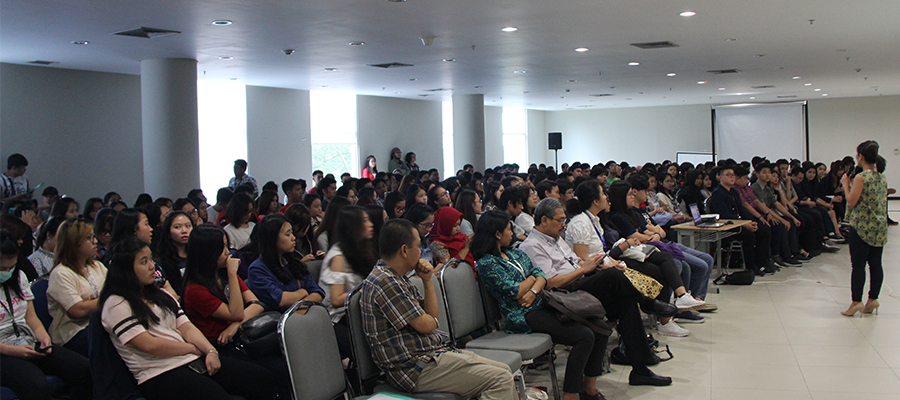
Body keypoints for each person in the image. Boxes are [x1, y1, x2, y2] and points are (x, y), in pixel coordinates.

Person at [505, 204, 675, 388]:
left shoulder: (556, 239)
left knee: (626, 302)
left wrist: (592, 264)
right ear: (544, 221)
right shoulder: (532, 246)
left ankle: (640, 370)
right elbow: (550, 282)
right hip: (562, 296)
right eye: (560, 220)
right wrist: (584, 270)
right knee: (614, 277)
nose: (564, 224)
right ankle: (648, 303)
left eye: (564, 219)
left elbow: (575, 261)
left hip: (580, 284)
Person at [100, 238, 274, 400]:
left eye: (151, 260)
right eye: (144, 262)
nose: (152, 267)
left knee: (261, 378)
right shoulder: (116, 304)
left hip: (190, 358)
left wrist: (210, 351)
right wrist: (192, 348)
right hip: (158, 373)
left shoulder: (160, 293)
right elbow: (149, 345)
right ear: (126, 270)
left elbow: (187, 327)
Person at [361, 218, 517, 399]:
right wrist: (431, 321)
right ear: (404, 250)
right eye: (418, 246)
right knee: (500, 380)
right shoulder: (385, 282)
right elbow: (428, 325)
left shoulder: (396, 277)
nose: (421, 252)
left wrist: (427, 281)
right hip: (415, 369)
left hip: (430, 356)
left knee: (504, 370)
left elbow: (432, 320)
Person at [180, 225, 290, 393]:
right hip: (218, 347)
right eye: (221, 248)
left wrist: (234, 325)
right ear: (207, 253)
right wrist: (232, 274)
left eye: (226, 246)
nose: (227, 252)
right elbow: (236, 313)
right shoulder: (195, 289)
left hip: (241, 335)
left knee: (286, 364)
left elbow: (257, 304)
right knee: (264, 375)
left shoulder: (222, 273)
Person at [1, 231, 93, 400]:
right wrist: (13, 351)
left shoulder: (18, 277)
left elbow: (31, 318)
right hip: (4, 351)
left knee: (85, 370)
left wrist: (43, 337)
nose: (7, 272)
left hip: (26, 342)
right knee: (37, 386)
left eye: (11, 267)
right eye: (2, 268)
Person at [320, 206, 377, 359]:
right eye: (364, 221)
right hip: (336, 319)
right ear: (353, 226)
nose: (370, 224)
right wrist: (362, 292)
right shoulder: (338, 257)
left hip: (357, 312)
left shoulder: (360, 249)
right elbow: (336, 299)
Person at [47, 218, 108, 357]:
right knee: (112, 341)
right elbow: (77, 310)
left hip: (101, 323)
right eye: (89, 238)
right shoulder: (61, 273)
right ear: (73, 243)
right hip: (73, 333)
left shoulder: (97, 266)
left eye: (94, 236)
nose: (96, 241)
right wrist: (110, 298)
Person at [840, 141, 888, 317]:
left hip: (861, 227)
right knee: (876, 263)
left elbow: (852, 202)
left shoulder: (861, 178)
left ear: (860, 156)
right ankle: (873, 299)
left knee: (858, 265)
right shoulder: (881, 177)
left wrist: (846, 185)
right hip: (879, 227)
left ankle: (856, 302)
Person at [246, 214, 325, 311]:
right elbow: (280, 300)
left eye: (292, 233)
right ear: (272, 239)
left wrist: (301, 307)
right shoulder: (257, 269)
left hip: (304, 317)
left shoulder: (293, 263)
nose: (293, 238)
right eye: (288, 234)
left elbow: (318, 292)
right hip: (279, 322)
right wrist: (303, 292)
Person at [107, 208, 179, 299]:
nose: (151, 229)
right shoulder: (117, 258)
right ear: (134, 229)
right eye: (146, 224)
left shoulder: (151, 254)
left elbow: (167, 286)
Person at [156, 211, 193, 296]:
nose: (184, 231)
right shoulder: (164, 259)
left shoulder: (197, 253)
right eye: (177, 227)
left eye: (188, 226)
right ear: (168, 232)